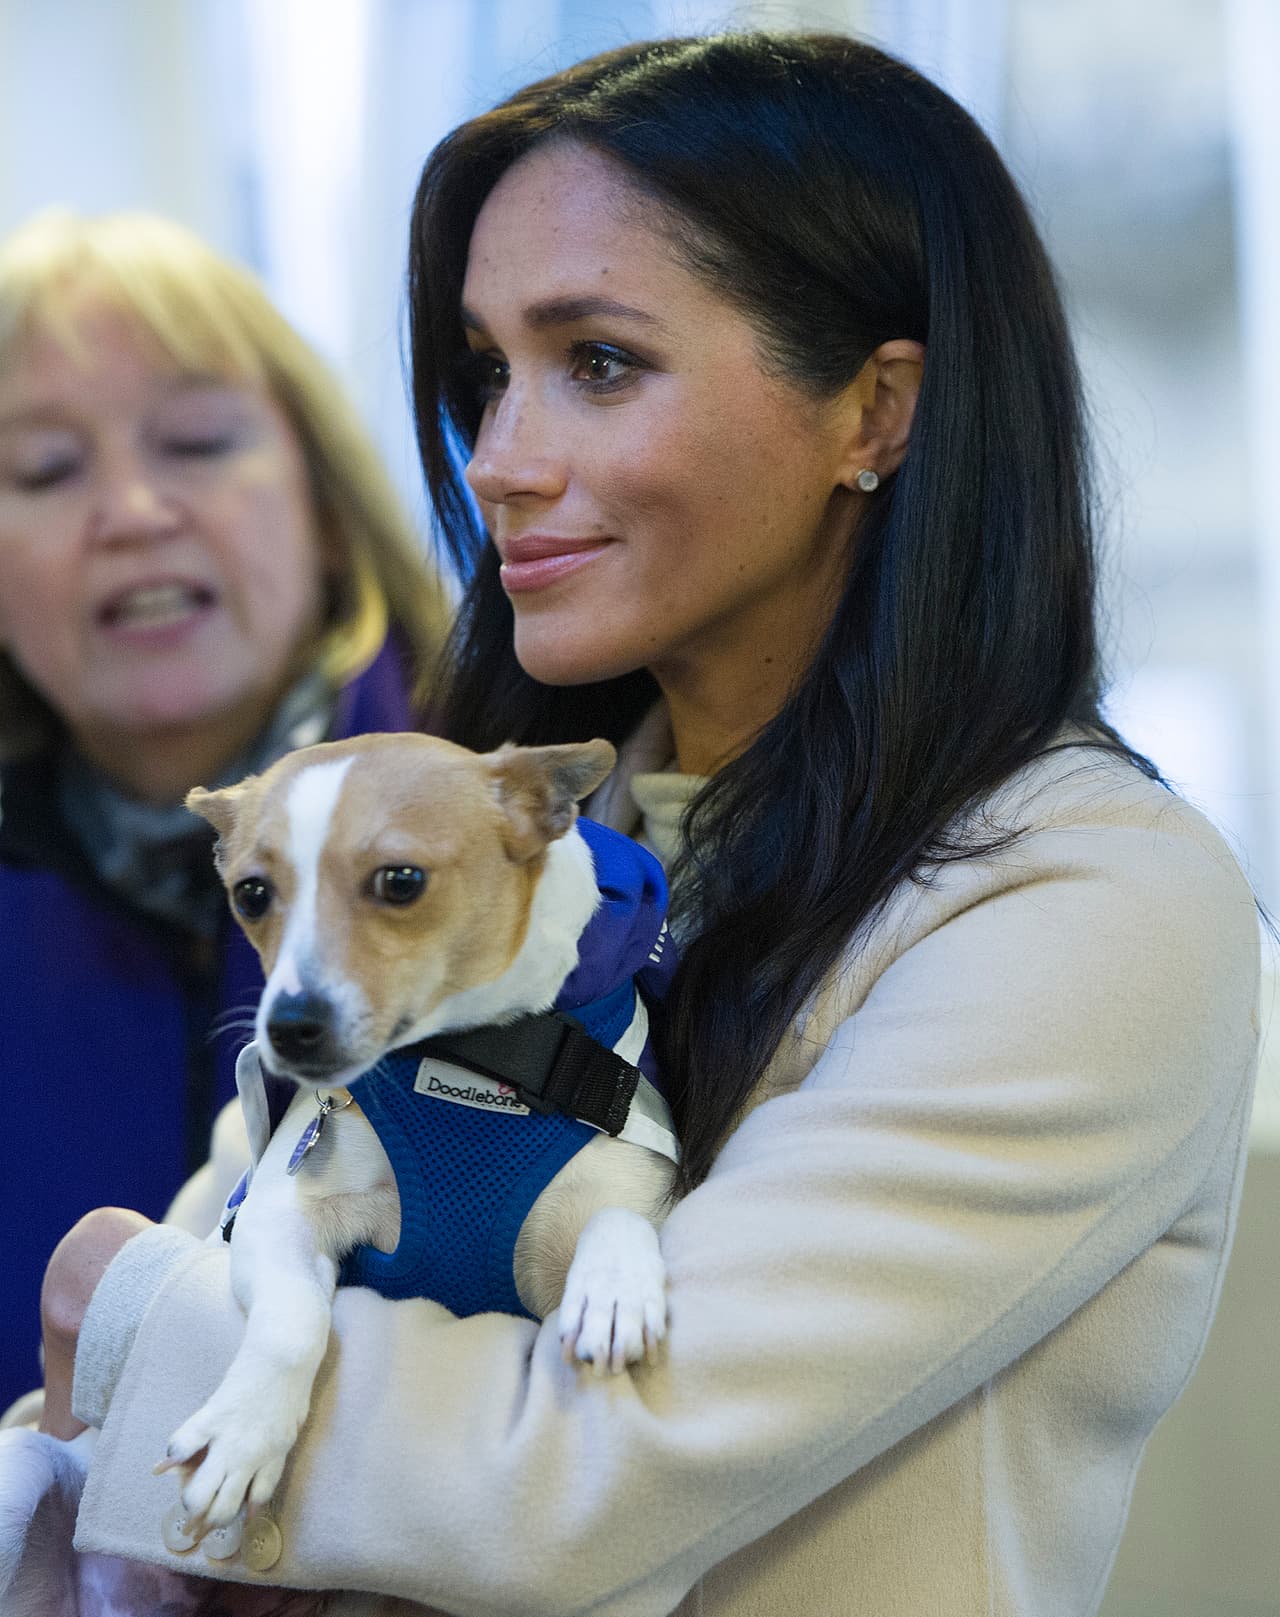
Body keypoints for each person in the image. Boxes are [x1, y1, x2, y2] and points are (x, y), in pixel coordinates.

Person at [38, 34, 1260, 1617]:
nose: (497, 461)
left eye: (600, 363)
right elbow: (225, 1241)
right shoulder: (505, 842)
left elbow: (598, 1467)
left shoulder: (1087, 899)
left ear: (876, 412)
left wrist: (132, 1323)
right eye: (486, 375)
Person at [0, 210, 450, 1416]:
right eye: (45, 470)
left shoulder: (524, 834)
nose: (133, 510)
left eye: (196, 442)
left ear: (325, 505)